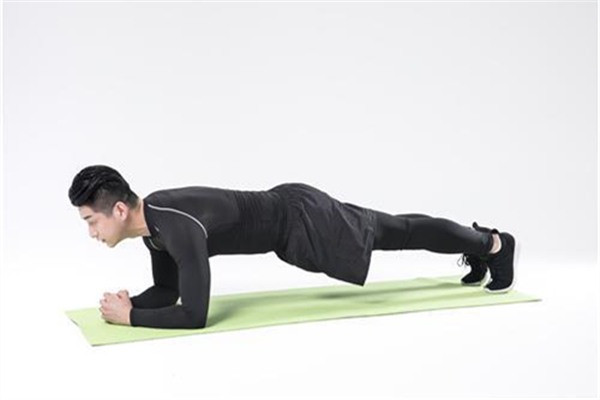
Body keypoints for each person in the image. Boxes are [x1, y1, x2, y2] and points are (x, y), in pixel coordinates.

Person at [68, 165, 517, 329]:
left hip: (303, 221)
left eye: (91, 221)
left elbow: (195, 315)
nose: (91, 232)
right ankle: (484, 247)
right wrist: (133, 304)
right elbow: (169, 292)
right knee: (395, 230)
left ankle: (493, 244)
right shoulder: (155, 226)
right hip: (292, 215)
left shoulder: (175, 225)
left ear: (120, 210)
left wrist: (132, 318)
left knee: (396, 232)